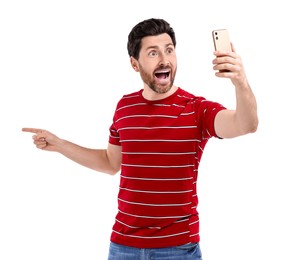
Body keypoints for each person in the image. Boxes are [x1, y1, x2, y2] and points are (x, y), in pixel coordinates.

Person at [22, 18, 258, 260]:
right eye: (153, 53)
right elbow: (110, 163)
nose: (165, 60)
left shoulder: (196, 109)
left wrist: (240, 82)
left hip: (178, 250)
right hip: (123, 247)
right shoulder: (125, 107)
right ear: (135, 64)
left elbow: (246, 124)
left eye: (169, 50)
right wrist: (60, 144)